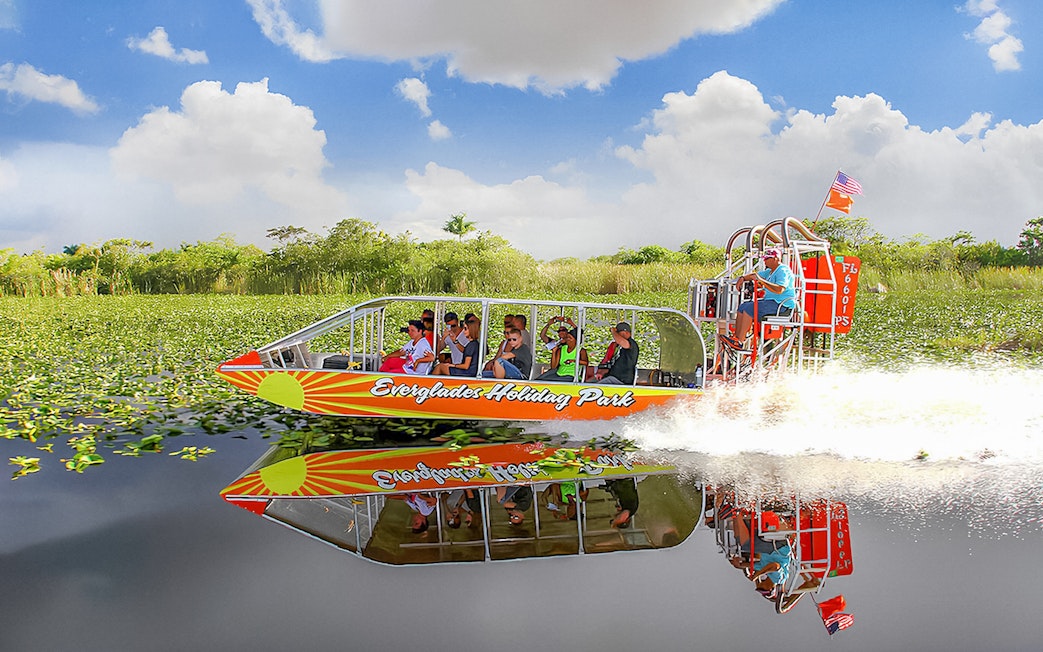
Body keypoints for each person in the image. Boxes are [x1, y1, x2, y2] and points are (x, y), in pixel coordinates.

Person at [725, 248, 797, 349]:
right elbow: (755, 276)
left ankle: (740, 341)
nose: (765, 261)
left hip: (781, 305)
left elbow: (780, 289)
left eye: (767, 259)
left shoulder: (783, 270)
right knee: (742, 307)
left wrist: (763, 282)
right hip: (771, 302)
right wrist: (743, 278)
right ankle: (736, 338)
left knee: (750, 309)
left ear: (776, 259)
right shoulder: (770, 271)